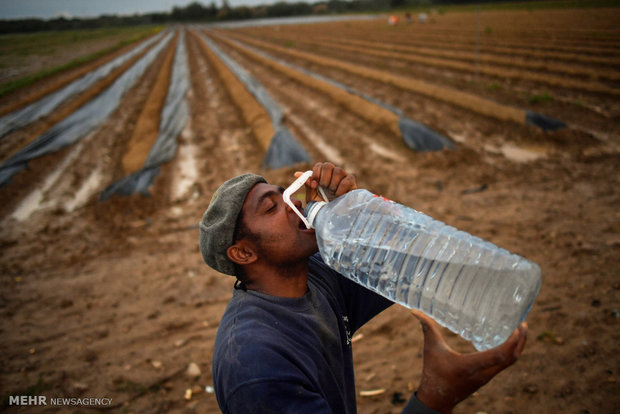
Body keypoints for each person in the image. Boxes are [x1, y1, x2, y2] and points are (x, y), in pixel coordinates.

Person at [199, 162, 528, 414]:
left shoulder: (313, 278)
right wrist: (437, 395)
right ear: (243, 252)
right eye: (271, 208)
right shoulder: (257, 366)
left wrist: (355, 210)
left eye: (289, 194)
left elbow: (407, 259)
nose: (293, 204)